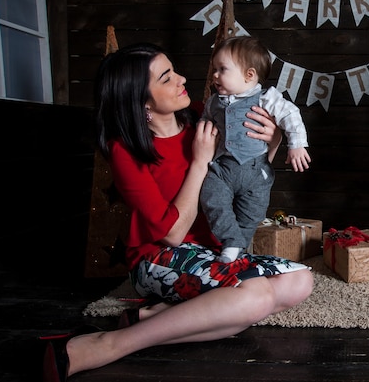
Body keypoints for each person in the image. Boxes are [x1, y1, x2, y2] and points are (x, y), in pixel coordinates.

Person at [41, 42, 314, 382]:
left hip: (214, 250)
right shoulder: (126, 151)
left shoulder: (207, 113)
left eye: (175, 70)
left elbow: (243, 179)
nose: (182, 78)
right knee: (256, 299)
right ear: (141, 100)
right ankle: (110, 343)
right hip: (158, 256)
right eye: (167, 77)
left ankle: (159, 317)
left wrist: (270, 141)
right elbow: (171, 232)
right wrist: (199, 162)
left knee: (299, 281)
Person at [200, 36, 312, 263]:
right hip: (222, 168)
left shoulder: (265, 98)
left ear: (249, 75)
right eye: (214, 69)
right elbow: (204, 126)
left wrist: (297, 144)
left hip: (256, 170)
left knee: (253, 214)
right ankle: (232, 242)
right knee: (212, 199)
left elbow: (291, 115)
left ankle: (236, 251)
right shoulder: (213, 102)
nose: (215, 75)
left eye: (222, 70)